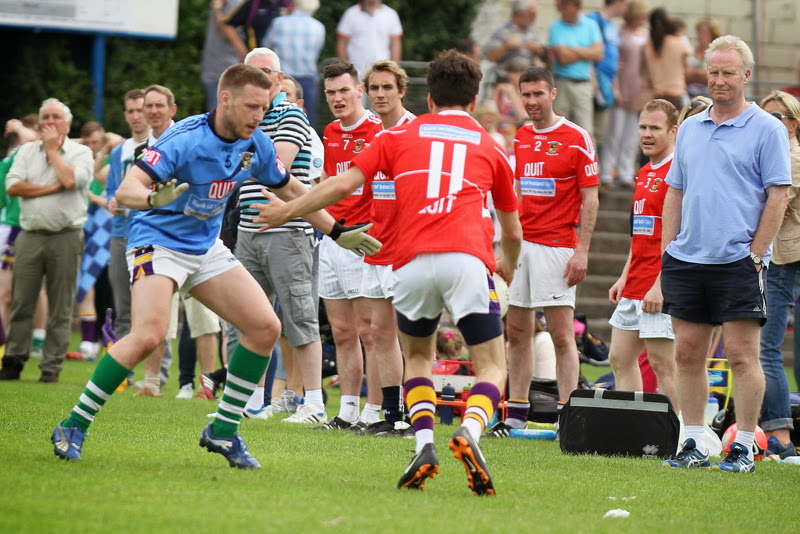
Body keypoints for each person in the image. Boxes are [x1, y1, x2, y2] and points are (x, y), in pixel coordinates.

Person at [49, 63, 380, 467]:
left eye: (264, 107)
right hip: (158, 242)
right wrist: (155, 199)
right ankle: (73, 424)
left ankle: (223, 432)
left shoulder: (254, 142)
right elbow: (127, 189)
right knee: (149, 334)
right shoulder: (184, 138)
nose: (259, 116)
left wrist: (337, 231)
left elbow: (292, 187)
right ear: (226, 100)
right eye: (251, 107)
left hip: (204, 246)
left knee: (264, 328)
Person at [252, 48, 522, 495]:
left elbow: (338, 185)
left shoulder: (397, 137)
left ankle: (422, 445)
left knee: (417, 357)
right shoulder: (492, 148)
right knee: (492, 365)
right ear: (474, 100)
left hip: (411, 262)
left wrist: (287, 210)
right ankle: (470, 433)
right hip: (466, 258)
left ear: (428, 97)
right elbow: (512, 230)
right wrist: (506, 263)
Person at [660, 36, 791, 473]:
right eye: (713, 72)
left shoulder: (767, 128)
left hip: (739, 262)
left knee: (741, 356)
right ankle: (693, 442)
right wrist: (668, 250)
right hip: (687, 259)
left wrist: (757, 253)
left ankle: (745, 447)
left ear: (745, 76)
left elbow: (778, 194)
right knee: (687, 355)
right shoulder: (692, 128)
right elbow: (675, 191)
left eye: (728, 72)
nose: (718, 80)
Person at [484, 66, 599, 438]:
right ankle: (516, 414)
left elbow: (590, 197)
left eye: (538, 94)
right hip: (523, 246)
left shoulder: (577, 137)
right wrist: (508, 246)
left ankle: (569, 418)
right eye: (526, 95)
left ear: (553, 93)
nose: (531, 102)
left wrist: (582, 251)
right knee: (517, 331)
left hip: (557, 247)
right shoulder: (521, 136)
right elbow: (516, 195)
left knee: (563, 336)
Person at [238, 47, 326, 422]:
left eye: (264, 74)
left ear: (278, 78)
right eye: (249, 74)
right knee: (249, 319)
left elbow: (277, 166)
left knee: (300, 318)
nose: (257, 81)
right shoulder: (247, 118)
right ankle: (252, 400)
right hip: (248, 228)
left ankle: (315, 405)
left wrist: (236, 159)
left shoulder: (290, 114)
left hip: (287, 229)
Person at [303, 60, 384, 428]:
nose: (338, 98)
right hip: (332, 238)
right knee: (342, 331)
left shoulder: (379, 130)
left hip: (363, 238)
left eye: (344, 91)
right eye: (331, 92)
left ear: (359, 91)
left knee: (370, 331)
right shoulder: (331, 131)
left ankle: (374, 409)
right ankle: (347, 409)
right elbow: (326, 180)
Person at [338, 59, 414, 435]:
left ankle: (415, 414)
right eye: (375, 88)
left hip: (407, 251)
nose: (381, 94)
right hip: (376, 245)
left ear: (402, 91)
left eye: (388, 88)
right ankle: (392, 414)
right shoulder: (374, 135)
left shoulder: (415, 132)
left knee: (413, 337)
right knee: (378, 333)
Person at [0, 98, 93, 383]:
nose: (51, 122)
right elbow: (13, 187)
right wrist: (51, 187)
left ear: (66, 124)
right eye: (46, 118)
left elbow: (70, 180)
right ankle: (14, 359)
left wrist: (53, 151)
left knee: (61, 304)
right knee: (21, 301)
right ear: (40, 124)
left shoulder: (81, 152)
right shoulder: (25, 152)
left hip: (66, 235)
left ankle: (51, 366)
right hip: (30, 235)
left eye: (56, 117)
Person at [607, 98, 678, 407]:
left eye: (655, 128)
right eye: (642, 127)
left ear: (673, 131)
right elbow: (639, 234)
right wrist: (624, 277)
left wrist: (661, 284)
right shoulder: (643, 172)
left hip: (659, 285)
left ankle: (680, 434)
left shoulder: (678, 173)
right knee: (619, 357)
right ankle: (630, 429)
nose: (647, 134)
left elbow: (678, 238)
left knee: (664, 365)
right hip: (635, 283)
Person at [757, 90, 800, 459]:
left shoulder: (794, 156)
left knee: (766, 348)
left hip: (784, 260)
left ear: (794, 123)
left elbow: (775, 200)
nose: (771, 123)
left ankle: (782, 438)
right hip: (775, 257)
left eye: (779, 117)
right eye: (766, 116)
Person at [598, 0, 649, 189]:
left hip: (638, 88)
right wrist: (615, 88)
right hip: (621, 84)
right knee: (614, 132)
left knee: (632, 135)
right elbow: (615, 62)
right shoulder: (619, 32)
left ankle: (626, 173)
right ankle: (606, 173)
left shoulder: (646, 35)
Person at [262, 0, 326, 125]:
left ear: (295, 4)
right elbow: (316, 53)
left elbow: (266, 49)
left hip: (282, 79)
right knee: (306, 123)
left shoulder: (279, 23)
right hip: (307, 79)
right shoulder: (319, 27)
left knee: (274, 120)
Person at [547, 0, 604, 138]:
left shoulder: (590, 25)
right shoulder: (556, 27)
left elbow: (598, 54)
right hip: (562, 83)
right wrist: (586, 51)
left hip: (583, 84)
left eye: (567, 6)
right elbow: (563, 58)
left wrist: (572, 50)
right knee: (558, 128)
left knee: (585, 130)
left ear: (577, 7)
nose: (562, 10)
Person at [587, 0, 628, 151]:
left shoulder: (612, 26)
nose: (626, 8)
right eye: (625, 4)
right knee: (588, 127)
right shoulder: (593, 20)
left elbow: (614, 60)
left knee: (600, 131)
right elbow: (590, 50)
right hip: (595, 81)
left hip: (607, 84)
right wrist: (591, 77)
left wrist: (615, 87)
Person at [336, 0, 403, 79]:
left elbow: (395, 45)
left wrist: (393, 71)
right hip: (356, 74)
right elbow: (341, 43)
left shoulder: (391, 14)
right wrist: (346, 70)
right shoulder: (350, 14)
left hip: (382, 73)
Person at [642, 8, 692, 110]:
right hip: (676, 95)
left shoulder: (649, 45)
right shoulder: (679, 42)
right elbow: (687, 68)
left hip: (655, 96)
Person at [484, 0, 544, 76]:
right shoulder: (502, 31)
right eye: (532, 14)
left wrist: (539, 50)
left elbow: (545, 57)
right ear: (520, 14)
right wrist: (506, 46)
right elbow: (490, 57)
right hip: (505, 79)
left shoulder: (535, 31)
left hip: (527, 79)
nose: (534, 18)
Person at [685, 18, 721, 99]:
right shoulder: (690, 52)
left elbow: (712, 77)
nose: (700, 35)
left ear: (712, 34)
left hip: (709, 97)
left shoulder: (716, 54)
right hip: (689, 97)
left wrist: (693, 73)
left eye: (704, 32)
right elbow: (684, 75)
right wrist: (701, 72)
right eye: (699, 32)